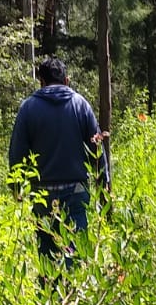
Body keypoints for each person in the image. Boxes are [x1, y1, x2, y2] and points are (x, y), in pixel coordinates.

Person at [8, 56, 109, 261]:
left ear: (41, 82)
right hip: (76, 192)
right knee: (76, 254)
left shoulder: (28, 108)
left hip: (42, 195)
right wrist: (102, 185)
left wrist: (17, 187)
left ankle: (51, 291)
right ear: (66, 80)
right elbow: (96, 148)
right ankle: (75, 292)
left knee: (47, 256)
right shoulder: (80, 105)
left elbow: (17, 152)